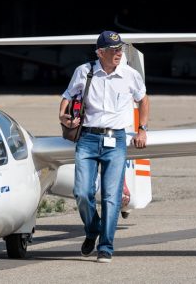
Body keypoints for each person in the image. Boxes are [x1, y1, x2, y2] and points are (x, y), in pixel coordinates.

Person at [59, 30, 149, 263]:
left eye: (120, 49)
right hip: (87, 139)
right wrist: (63, 116)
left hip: (116, 140)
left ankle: (106, 247)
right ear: (100, 52)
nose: (118, 53)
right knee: (82, 192)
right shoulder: (84, 71)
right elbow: (67, 96)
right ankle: (92, 230)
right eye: (113, 50)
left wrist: (142, 129)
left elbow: (143, 98)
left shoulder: (130, 74)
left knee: (111, 197)